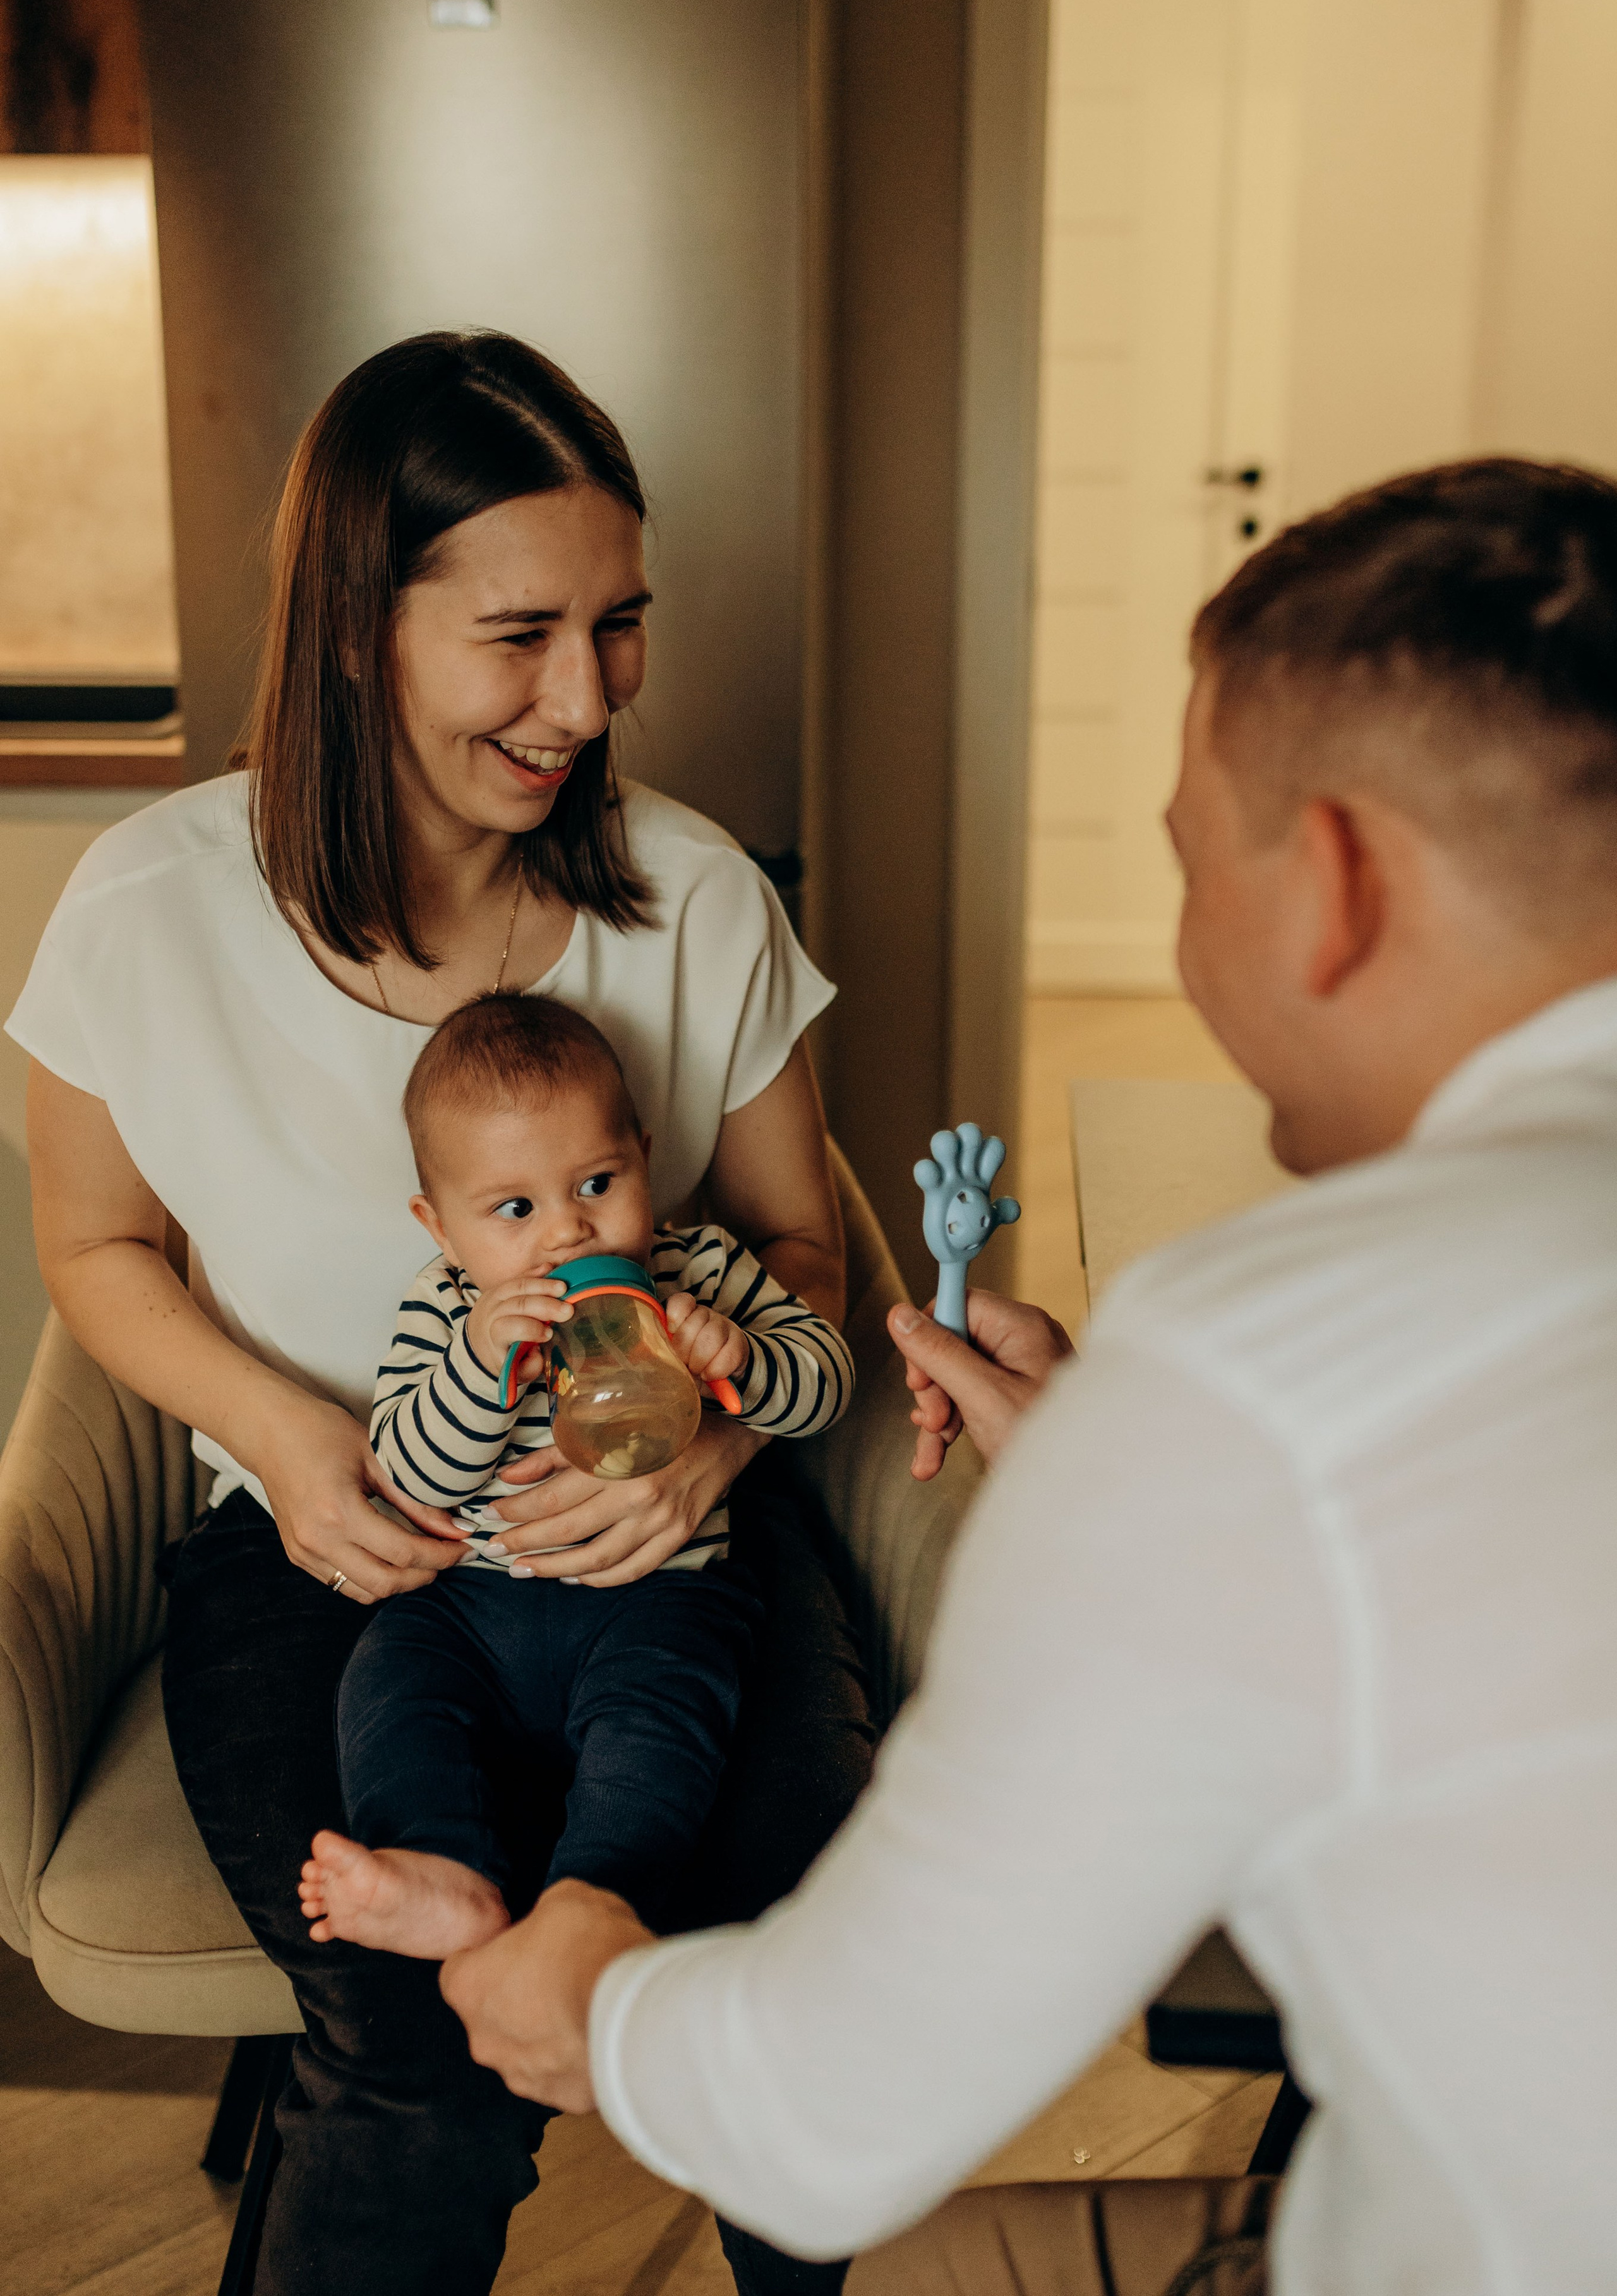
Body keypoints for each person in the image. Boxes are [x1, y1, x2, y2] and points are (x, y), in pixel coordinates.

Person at [436, 459, 1617, 2295]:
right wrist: (1127, 1482)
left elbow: (831, 2108)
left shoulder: (1271, 1367)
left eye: (1185, 851)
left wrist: (588, 1992)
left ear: (1336, 881)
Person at [9, 330, 874, 2296]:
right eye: (521, 633)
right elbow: (97, 1253)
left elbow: (802, 1261)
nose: (588, 694)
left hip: (680, 1543)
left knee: (779, 1989)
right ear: (352, 630)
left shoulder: (698, 896)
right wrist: (301, 1441)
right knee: (413, 2064)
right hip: (340, 1551)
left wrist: (712, 1442)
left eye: (622, 623)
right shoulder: (146, 912)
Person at [301, 989, 852, 1962]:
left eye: (598, 1182)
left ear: (645, 1156)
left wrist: (743, 1360)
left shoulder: (700, 1269)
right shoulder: (447, 1308)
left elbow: (828, 1385)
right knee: (390, 1687)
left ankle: (595, 1895)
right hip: (468, 1602)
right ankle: (439, 1869)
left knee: (664, 1728)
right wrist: (480, 1363)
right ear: (441, 1227)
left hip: (658, 1592)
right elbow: (410, 1470)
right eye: (514, 1208)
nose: (567, 1233)